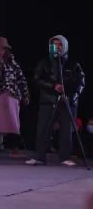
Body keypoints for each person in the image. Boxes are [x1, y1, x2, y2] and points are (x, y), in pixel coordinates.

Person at [27, 35, 85, 167]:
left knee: (66, 130)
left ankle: (65, 157)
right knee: (43, 129)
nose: (57, 47)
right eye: (54, 44)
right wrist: (52, 86)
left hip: (67, 101)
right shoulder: (44, 63)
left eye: (60, 44)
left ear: (65, 46)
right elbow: (37, 79)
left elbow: (81, 83)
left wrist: (71, 96)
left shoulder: (73, 64)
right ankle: (40, 157)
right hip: (48, 101)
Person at [0, 37, 29, 157]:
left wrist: (25, 94)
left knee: (12, 121)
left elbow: (21, 79)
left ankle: (14, 148)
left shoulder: (12, 62)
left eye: (2, 49)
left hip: (11, 94)